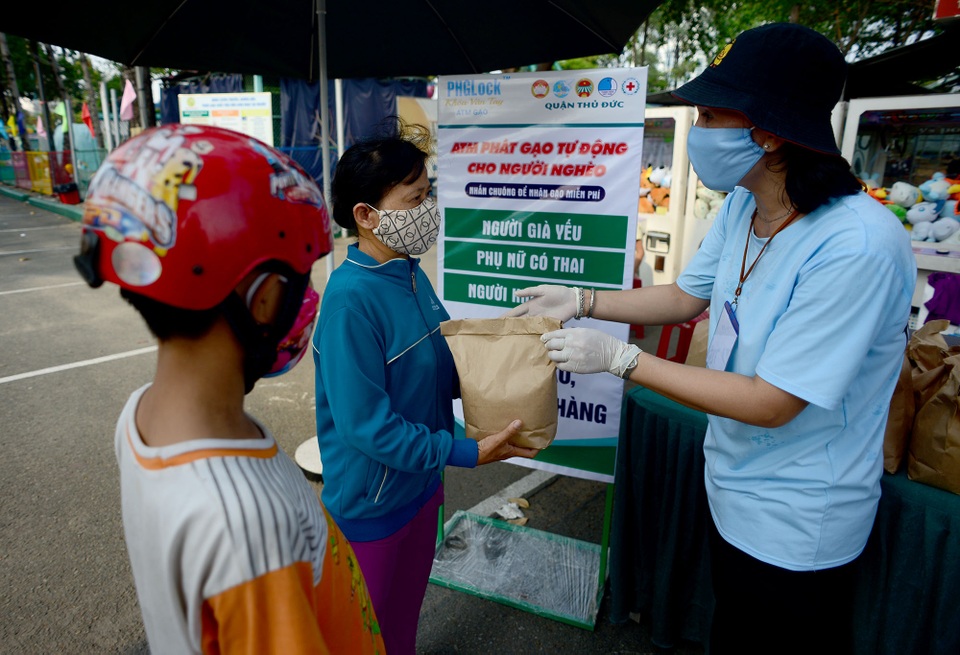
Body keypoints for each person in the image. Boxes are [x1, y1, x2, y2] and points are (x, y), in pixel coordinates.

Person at [508, 23, 916, 654]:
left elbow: (772, 402)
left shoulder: (855, 245)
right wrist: (585, 300)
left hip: (800, 519)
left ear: (770, 133)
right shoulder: (743, 205)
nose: (697, 131)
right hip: (732, 484)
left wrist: (621, 358)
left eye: (710, 114)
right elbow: (683, 298)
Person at [75, 125, 385, 654]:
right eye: (301, 277)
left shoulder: (141, 419)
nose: (309, 298)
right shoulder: (250, 529)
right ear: (262, 298)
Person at [313, 121, 539, 654]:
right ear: (366, 216)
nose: (428, 209)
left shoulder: (410, 272)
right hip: (373, 506)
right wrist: (462, 450)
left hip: (421, 488)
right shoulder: (350, 302)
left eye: (428, 194)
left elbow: (439, 363)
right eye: (415, 198)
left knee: (402, 626)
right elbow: (367, 426)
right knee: (365, 639)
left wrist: (516, 358)